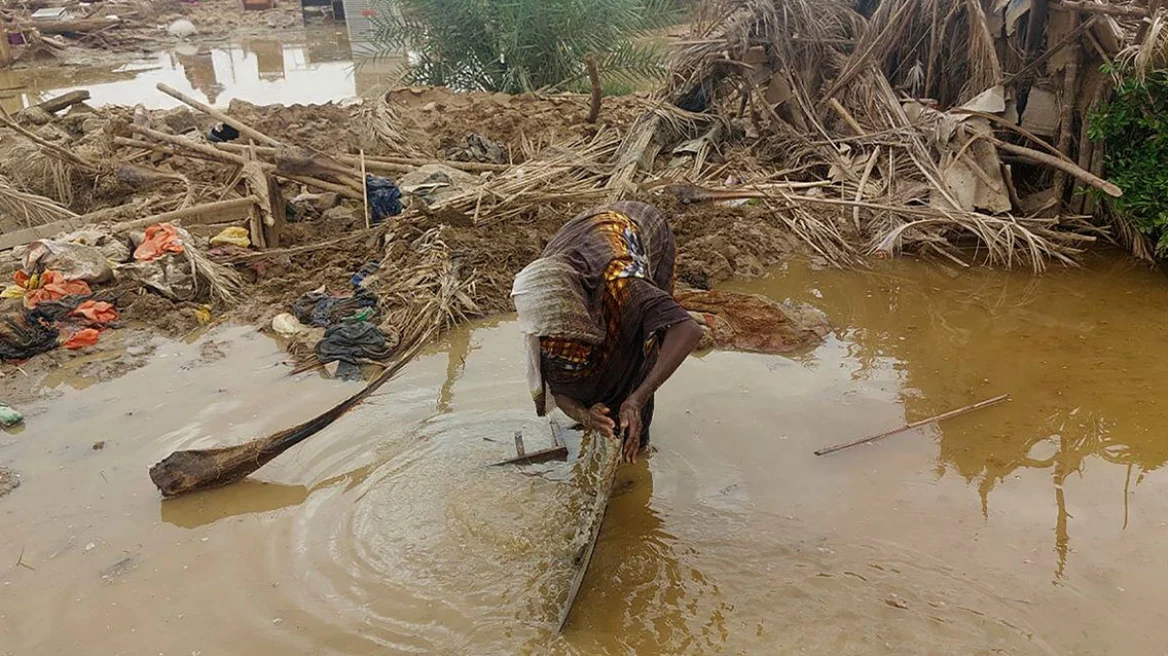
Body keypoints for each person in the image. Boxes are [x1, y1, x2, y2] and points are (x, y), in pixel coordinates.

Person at [511, 201, 702, 463]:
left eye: (564, 335)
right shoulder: (544, 310)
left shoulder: (623, 283)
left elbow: (687, 329)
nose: (557, 342)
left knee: (639, 341)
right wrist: (585, 415)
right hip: (582, 239)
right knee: (583, 360)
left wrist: (637, 399)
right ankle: (610, 414)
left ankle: (637, 434)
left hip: (639, 230)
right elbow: (560, 388)